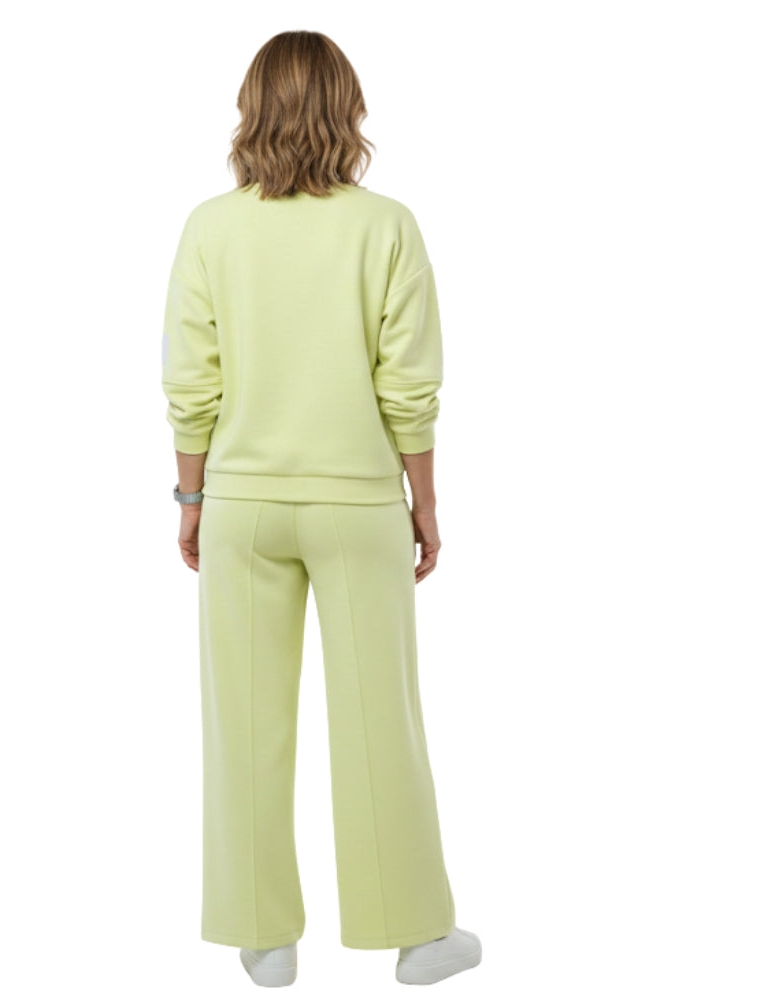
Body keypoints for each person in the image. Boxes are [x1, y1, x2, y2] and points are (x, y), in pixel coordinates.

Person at [161, 30, 482, 988]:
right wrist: (424, 502)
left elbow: (191, 380)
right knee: (382, 720)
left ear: (251, 109)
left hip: (242, 505)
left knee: (244, 722)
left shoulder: (211, 228)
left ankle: (263, 936)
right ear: (349, 109)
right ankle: (417, 938)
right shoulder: (387, 226)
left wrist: (191, 497)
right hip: (358, 507)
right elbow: (409, 384)